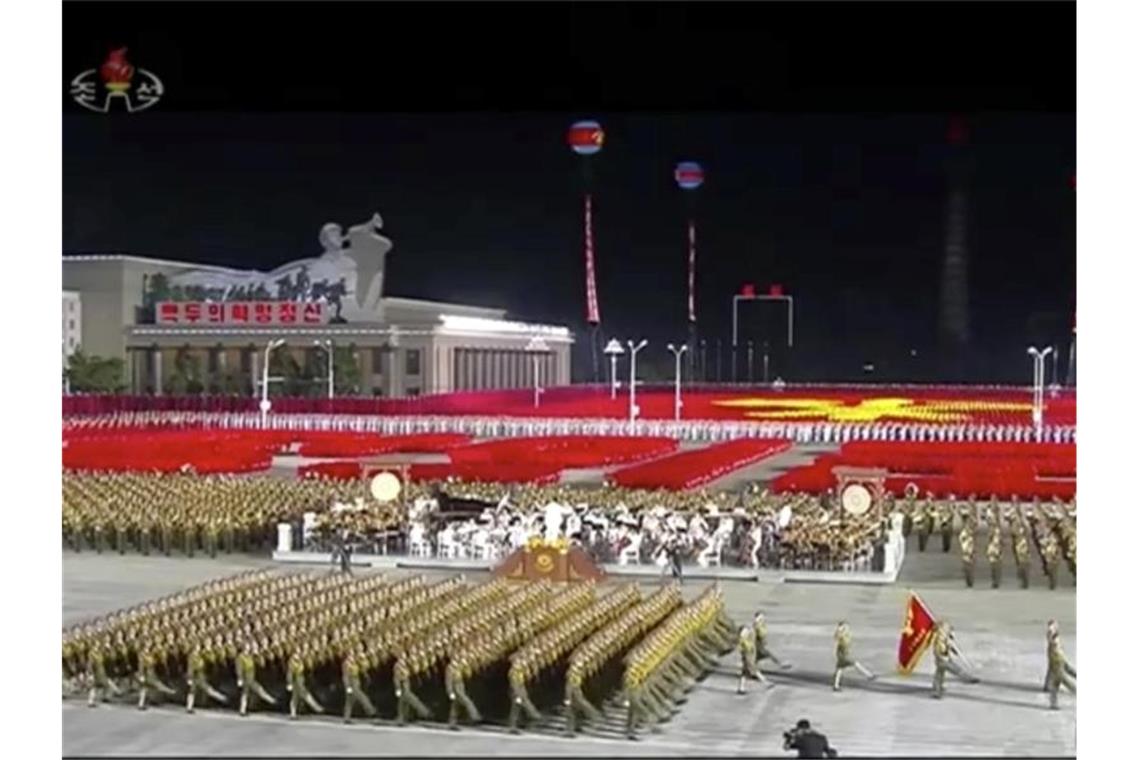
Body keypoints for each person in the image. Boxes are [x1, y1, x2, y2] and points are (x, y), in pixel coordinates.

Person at [832, 621, 876, 691]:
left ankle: (836, 686)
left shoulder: (846, 634)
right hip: (843, 655)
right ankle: (869, 675)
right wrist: (839, 630)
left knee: (839, 670)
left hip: (842, 655)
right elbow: (836, 638)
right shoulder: (841, 635)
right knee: (855, 664)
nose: (847, 627)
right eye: (845, 626)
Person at [1044, 620, 1076, 710]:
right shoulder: (1053, 641)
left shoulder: (1054, 641)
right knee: (1065, 684)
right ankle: (1053, 704)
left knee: (1056, 686)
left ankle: (1053, 704)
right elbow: (1051, 639)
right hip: (1057, 665)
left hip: (1059, 662)